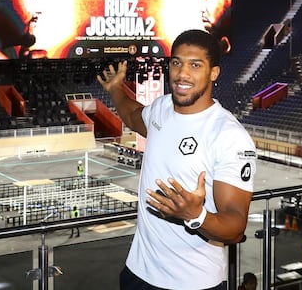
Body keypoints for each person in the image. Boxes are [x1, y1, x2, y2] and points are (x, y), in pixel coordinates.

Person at [97, 28, 257, 290]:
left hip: (193, 283)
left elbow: (236, 225)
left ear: (213, 73)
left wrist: (195, 215)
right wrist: (115, 89)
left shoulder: (228, 136)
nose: (183, 74)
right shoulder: (161, 108)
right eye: (176, 63)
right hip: (138, 273)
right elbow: (134, 115)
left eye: (195, 65)